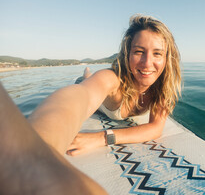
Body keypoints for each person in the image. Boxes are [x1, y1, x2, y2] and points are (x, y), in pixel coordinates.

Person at [29, 14, 182, 157]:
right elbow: (80, 96)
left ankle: (87, 73)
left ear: (167, 58)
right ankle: (86, 74)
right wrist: (40, 138)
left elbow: (155, 128)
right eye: (139, 51)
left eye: (157, 53)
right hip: (89, 87)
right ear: (127, 54)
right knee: (86, 80)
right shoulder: (112, 79)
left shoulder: (162, 87)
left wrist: (102, 138)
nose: (147, 63)